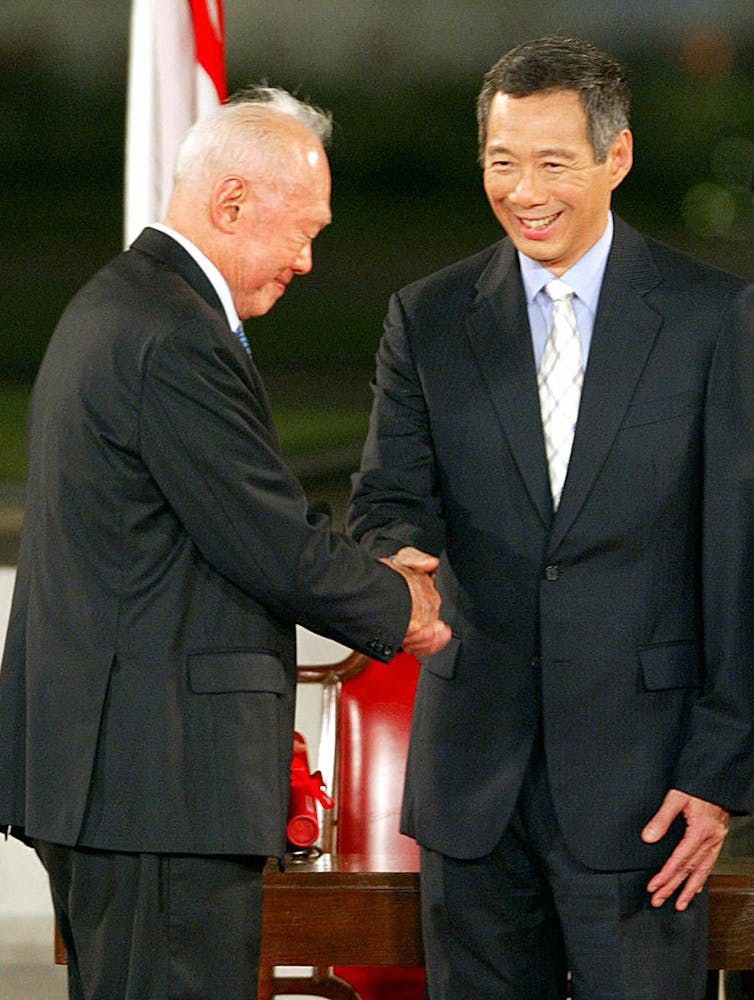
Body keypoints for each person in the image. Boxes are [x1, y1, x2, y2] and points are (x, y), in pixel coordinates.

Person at [0, 86, 450, 999]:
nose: (308, 261)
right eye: (303, 231)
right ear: (233, 201)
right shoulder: (172, 334)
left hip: (122, 783)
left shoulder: (122, 305)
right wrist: (402, 602)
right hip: (157, 788)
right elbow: (268, 539)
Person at [347, 36, 754, 1000]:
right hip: (471, 786)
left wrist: (720, 773)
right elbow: (388, 501)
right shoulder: (428, 317)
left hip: (649, 790)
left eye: (553, 163)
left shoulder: (713, 319)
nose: (524, 192)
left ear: (617, 157)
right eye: (502, 162)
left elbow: (740, 558)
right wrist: (397, 560)